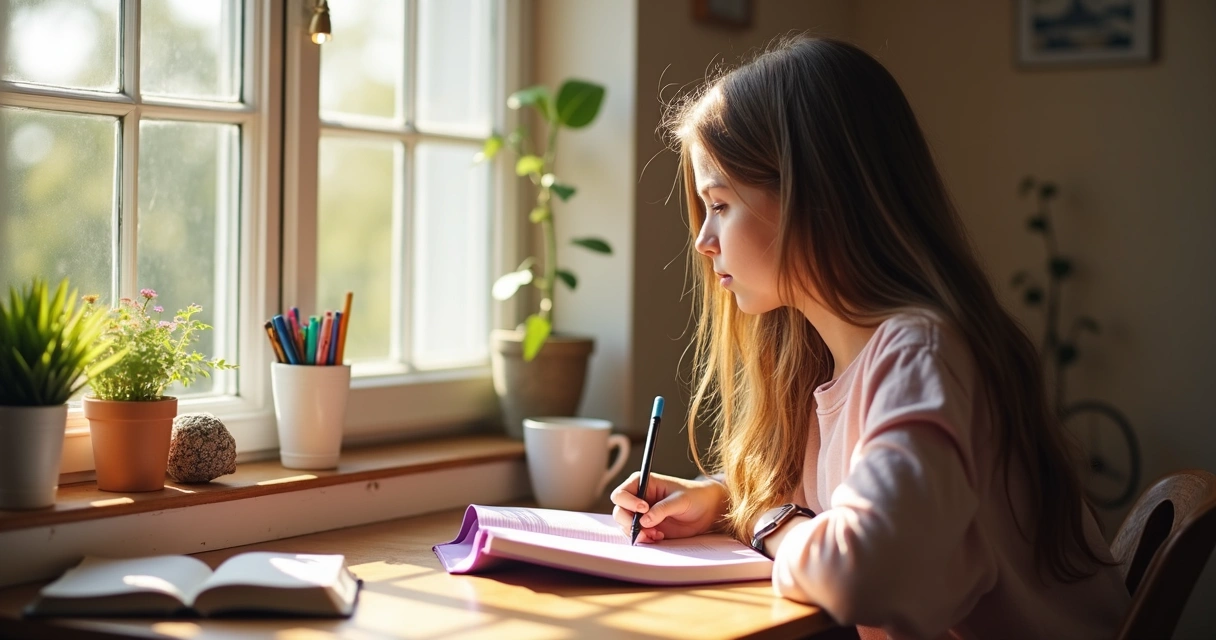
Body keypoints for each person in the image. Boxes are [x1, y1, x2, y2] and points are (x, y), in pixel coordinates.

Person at [609, 37, 1130, 639]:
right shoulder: (830, 362)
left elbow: (864, 570)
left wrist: (771, 524)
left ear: (814, 199)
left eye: (720, 204)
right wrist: (722, 499)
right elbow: (830, 503)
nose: (703, 242)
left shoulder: (921, 358)